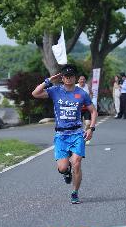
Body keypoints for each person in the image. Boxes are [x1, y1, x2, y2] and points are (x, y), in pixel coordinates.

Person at [32, 64, 98, 204]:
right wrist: (48, 80)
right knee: (62, 167)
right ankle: (66, 172)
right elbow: (35, 93)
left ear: (75, 77)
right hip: (61, 135)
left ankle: (75, 192)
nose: (69, 78)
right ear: (62, 78)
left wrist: (91, 128)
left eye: (71, 76)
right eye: (66, 76)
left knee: (77, 163)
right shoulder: (55, 90)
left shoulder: (82, 93)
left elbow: (93, 111)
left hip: (77, 133)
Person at [76, 75, 93, 145]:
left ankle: (86, 137)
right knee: (79, 125)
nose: (82, 81)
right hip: (78, 108)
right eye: (81, 79)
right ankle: (80, 138)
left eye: (83, 79)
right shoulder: (75, 87)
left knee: (88, 123)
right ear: (78, 80)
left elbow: (91, 93)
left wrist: (89, 101)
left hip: (86, 108)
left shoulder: (87, 86)